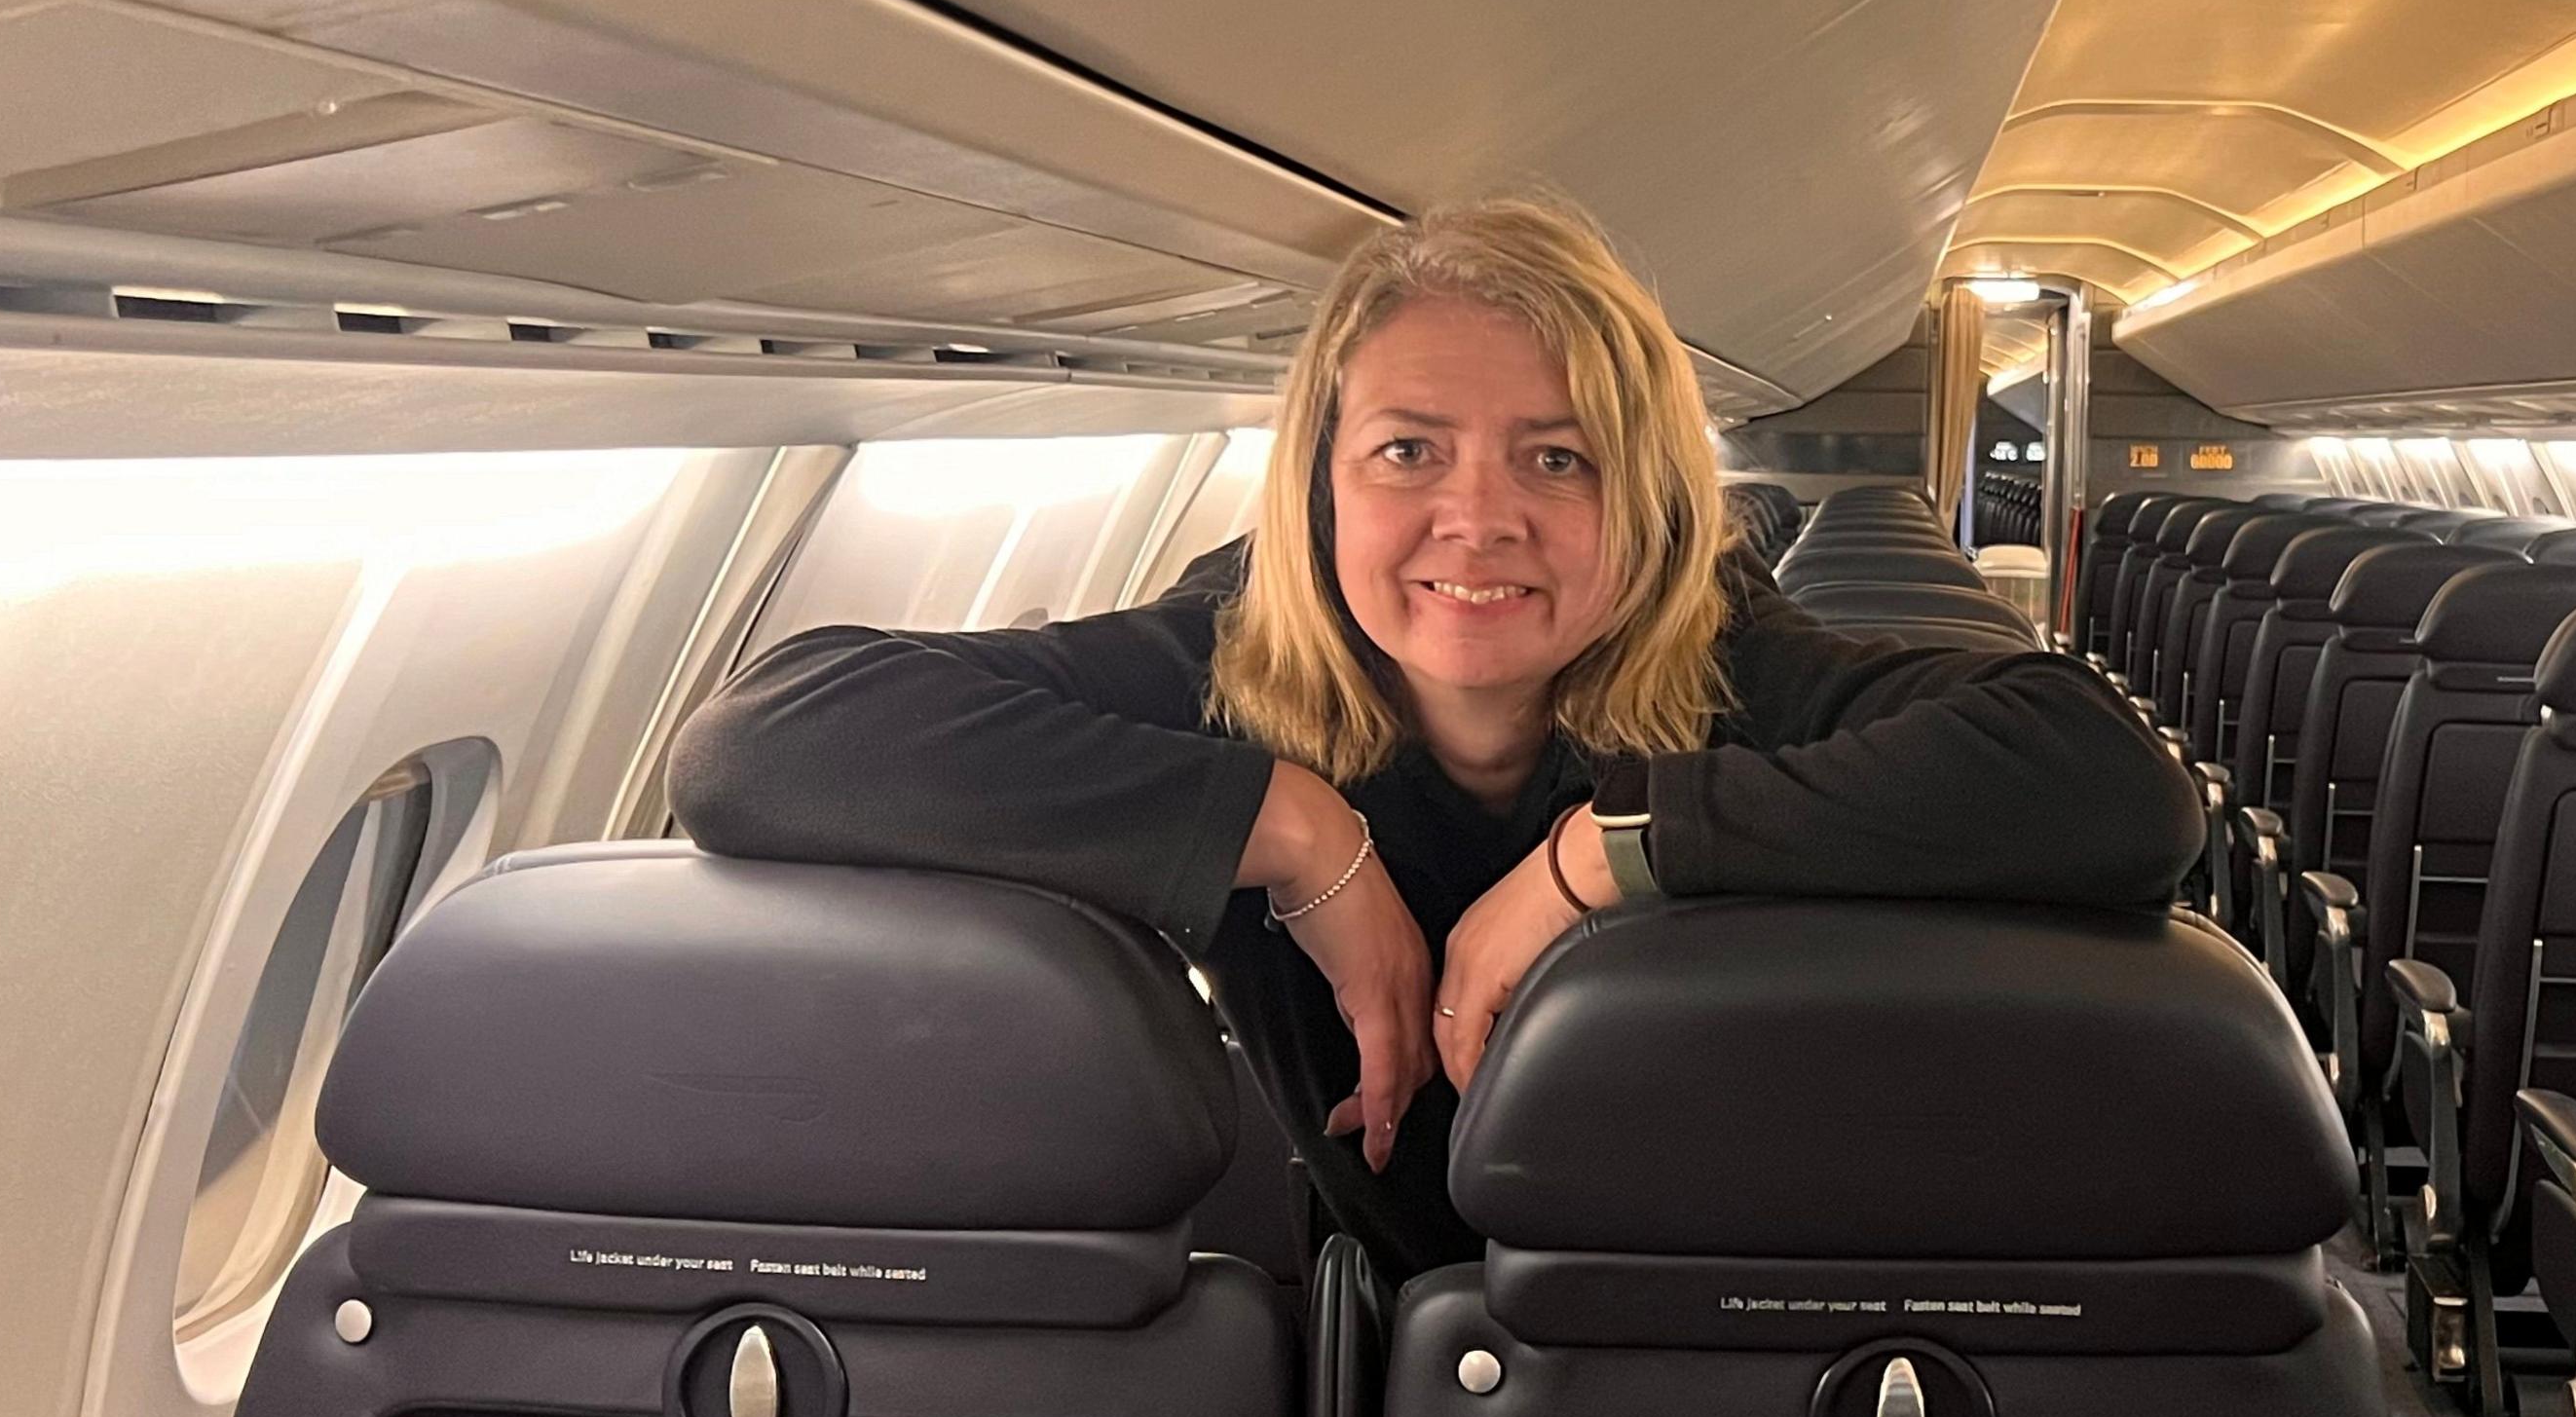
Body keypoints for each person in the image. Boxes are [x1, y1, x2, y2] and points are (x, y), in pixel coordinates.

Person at [669, 196, 2199, 1273]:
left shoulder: (1731, 662)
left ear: (1650, 498)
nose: (1481, 519)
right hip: (1371, 1331)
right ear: (1324, 482)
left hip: (1714, 1316)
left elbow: (2111, 784)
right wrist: (1288, 829)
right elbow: (764, 737)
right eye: (1410, 450)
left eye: (1559, 457)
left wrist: (1610, 858)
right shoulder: (1235, 657)